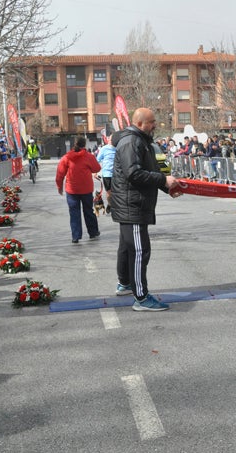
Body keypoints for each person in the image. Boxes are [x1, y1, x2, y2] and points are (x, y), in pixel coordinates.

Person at [110, 107, 180, 311]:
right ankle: (141, 297)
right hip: (132, 205)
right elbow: (134, 174)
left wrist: (167, 187)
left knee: (126, 247)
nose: (155, 125)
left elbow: (151, 171)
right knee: (140, 250)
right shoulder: (131, 142)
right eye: (152, 122)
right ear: (140, 124)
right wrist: (163, 179)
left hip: (133, 203)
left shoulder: (142, 141)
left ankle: (125, 283)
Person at [55, 136, 101, 244]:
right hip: (86, 189)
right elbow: (97, 168)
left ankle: (76, 236)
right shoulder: (89, 156)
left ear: (74, 144)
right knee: (89, 211)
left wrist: (59, 187)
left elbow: (60, 174)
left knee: (74, 213)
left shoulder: (66, 157)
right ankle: (93, 232)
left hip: (72, 190)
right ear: (84, 145)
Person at [96, 135, 116, 213]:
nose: (111, 140)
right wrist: (95, 172)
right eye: (109, 139)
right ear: (107, 140)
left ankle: (115, 206)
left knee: (117, 191)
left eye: (112, 139)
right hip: (107, 174)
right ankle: (110, 204)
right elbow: (97, 160)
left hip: (116, 174)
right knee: (109, 192)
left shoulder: (118, 148)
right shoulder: (104, 149)